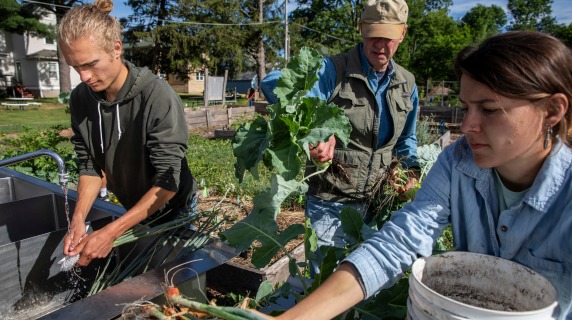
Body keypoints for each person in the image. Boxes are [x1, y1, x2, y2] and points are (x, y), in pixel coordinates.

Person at [256, 31, 572, 320]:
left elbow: (406, 141)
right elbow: (399, 243)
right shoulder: (457, 162)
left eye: (489, 109)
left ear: (553, 111)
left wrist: (409, 167)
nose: (467, 126)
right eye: (465, 108)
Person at [260, 0, 420, 259]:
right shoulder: (333, 70)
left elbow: (406, 139)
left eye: (388, 36)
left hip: (378, 205)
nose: (379, 44)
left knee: (367, 287)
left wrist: (410, 172)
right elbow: (273, 83)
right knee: (325, 282)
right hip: (330, 202)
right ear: (361, 29)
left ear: (403, 33)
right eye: (372, 34)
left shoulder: (407, 84)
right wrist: (318, 127)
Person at [58, 0, 198, 267]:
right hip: (133, 205)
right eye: (75, 67)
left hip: (173, 208)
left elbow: (168, 183)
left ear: (116, 48)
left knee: (175, 277)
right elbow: (90, 168)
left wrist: (112, 231)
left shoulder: (156, 96)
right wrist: (77, 221)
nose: (84, 76)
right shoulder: (81, 99)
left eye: (90, 64)